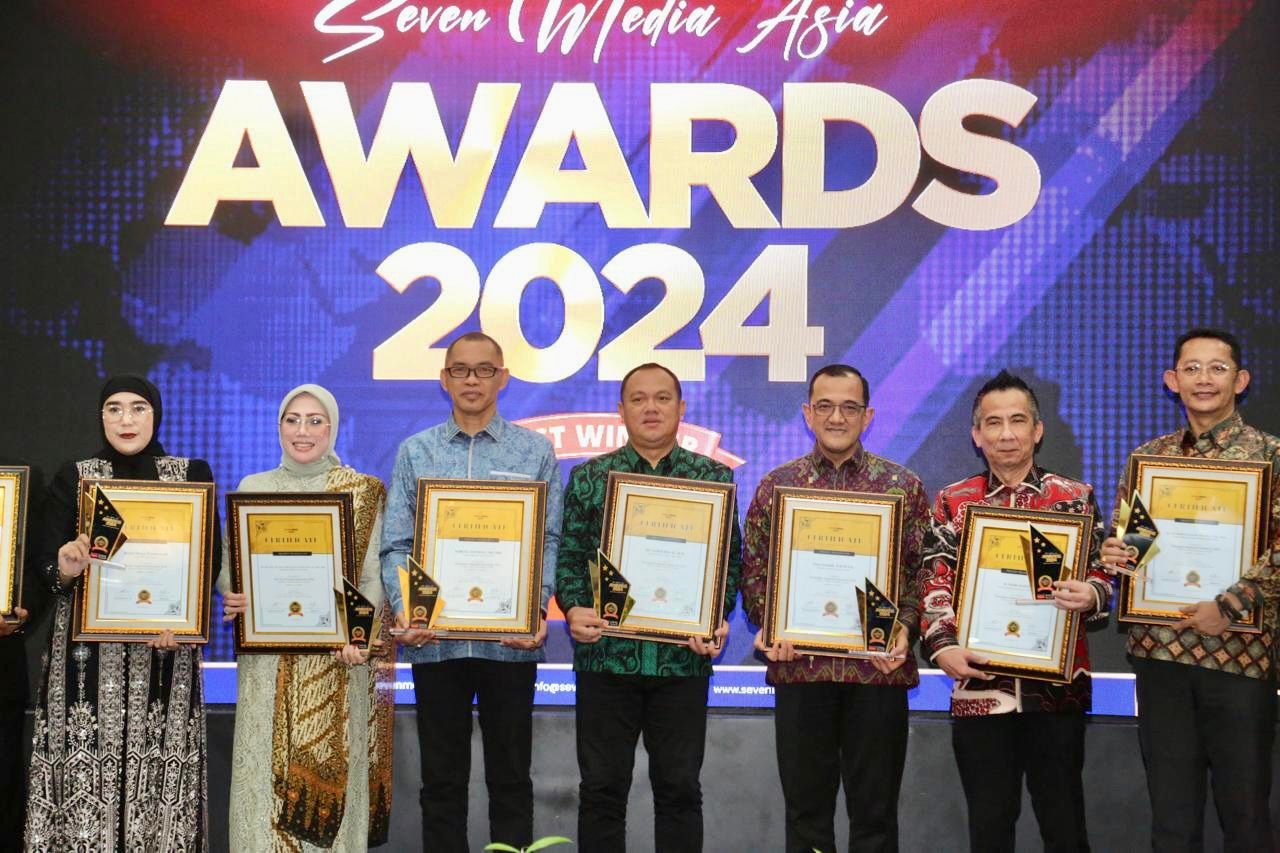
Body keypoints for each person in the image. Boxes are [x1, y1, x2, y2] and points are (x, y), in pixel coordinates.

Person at [380, 332, 562, 852]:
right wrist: (407, 608)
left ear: (503, 378)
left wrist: (533, 607)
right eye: (460, 370)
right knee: (441, 784)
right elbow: (396, 544)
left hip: (510, 644)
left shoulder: (534, 451)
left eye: (484, 370)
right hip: (435, 642)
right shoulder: (417, 451)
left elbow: (549, 538)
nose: (472, 380)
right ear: (444, 379)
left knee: (511, 780)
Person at [23, 375, 220, 851]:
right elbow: (47, 569)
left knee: (158, 782)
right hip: (84, 665)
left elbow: (206, 563)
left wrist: (184, 621)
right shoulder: (75, 477)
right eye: (114, 408)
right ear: (101, 417)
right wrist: (66, 567)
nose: (126, 419)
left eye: (138, 408)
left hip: (164, 658)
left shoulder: (189, 476)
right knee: (84, 784)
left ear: (156, 414)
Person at [1099, 329, 1278, 851]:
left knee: (1246, 819)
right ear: (1171, 380)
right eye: (1192, 368)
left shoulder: (1271, 456)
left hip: (1239, 658)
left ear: (1240, 380)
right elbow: (1135, 543)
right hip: (1161, 656)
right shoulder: (1147, 459)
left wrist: (1231, 605)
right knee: (1172, 822)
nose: (1204, 379)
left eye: (1217, 368)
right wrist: (1117, 553)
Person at [919, 370, 1110, 853]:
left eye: (1018, 421)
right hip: (981, 687)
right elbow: (934, 581)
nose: (1006, 433)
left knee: (1065, 827)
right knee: (989, 827)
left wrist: (1092, 593)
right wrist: (943, 647)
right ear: (976, 434)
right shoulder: (953, 502)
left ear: (1037, 430)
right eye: (994, 422)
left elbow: (1103, 573)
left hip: (1058, 691)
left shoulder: (1075, 498)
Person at [741, 364, 929, 853]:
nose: (837, 417)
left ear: (868, 416)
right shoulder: (778, 486)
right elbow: (755, 570)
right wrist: (771, 624)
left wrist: (905, 628)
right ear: (807, 413)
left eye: (849, 407)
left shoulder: (902, 486)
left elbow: (920, 574)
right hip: (801, 669)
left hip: (877, 673)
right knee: (806, 817)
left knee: (875, 818)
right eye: (824, 406)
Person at [556, 362, 742, 853]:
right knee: (602, 789)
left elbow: (729, 562)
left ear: (682, 408)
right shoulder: (590, 477)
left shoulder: (712, 477)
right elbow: (570, 557)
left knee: (679, 789)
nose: (651, 408)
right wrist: (574, 608)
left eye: (663, 398)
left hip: (682, 659)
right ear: (621, 410)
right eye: (638, 399)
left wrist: (714, 614)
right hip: (606, 657)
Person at [219, 384, 393, 850]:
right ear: (278, 426)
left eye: (316, 421)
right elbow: (230, 566)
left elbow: (372, 576)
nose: (303, 430)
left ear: (332, 428)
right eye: (292, 419)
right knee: (263, 785)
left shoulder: (362, 492)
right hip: (266, 664)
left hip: (337, 661)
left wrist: (358, 634)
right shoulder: (253, 489)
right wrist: (232, 595)